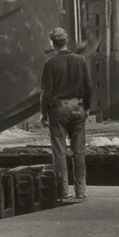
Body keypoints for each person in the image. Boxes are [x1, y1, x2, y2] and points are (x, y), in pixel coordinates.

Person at [40, 28, 95, 203]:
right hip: (78, 107)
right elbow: (89, 87)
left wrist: (43, 113)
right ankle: (81, 190)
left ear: (52, 43)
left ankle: (63, 191)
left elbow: (46, 93)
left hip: (58, 109)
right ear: (66, 41)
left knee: (60, 151)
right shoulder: (80, 61)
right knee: (79, 151)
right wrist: (86, 108)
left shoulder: (50, 64)